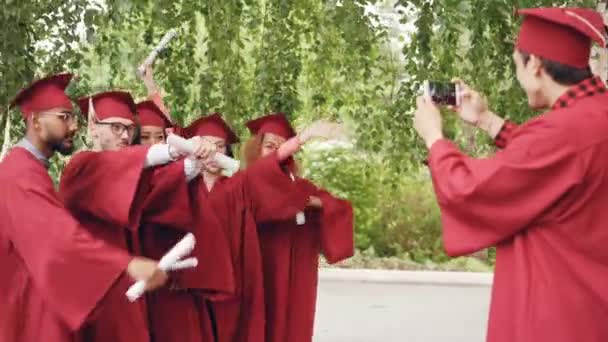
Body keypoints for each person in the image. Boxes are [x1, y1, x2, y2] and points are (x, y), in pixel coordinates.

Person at [413, 7, 608, 342]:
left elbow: (469, 190)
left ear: (535, 65)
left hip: (558, 316)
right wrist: (487, 121)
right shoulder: (594, 117)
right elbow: (550, 163)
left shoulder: (561, 133)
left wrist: (434, 138)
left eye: (517, 65)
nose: (519, 77)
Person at [0, 73, 166, 342]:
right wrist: (127, 265)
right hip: (28, 312)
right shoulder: (19, 173)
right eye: (63, 117)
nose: (73, 126)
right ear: (35, 122)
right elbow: (58, 240)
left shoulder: (30, 168)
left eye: (73, 117)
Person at [58, 90, 224, 342]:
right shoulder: (80, 167)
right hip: (95, 290)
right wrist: (177, 149)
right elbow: (121, 166)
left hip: (127, 288)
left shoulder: (127, 173)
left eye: (128, 129)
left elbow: (155, 190)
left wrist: (194, 164)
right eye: (115, 127)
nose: (125, 136)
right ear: (93, 127)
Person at [243, 113, 354, 342]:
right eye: (269, 146)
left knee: (294, 327)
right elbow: (265, 190)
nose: (276, 152)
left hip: (298, 276)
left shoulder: (303, 186)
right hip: (262, 272)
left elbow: (340, 208)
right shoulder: (246, 181)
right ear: (256, 148)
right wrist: (304, 137)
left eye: (282, 147)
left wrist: (313, 202)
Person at [134, 100, 235, 342]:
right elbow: (152, 196)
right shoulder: (124, 174)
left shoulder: (180, 173)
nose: (151, 144)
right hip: (136, 284)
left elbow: (199, 225)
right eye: (144, 137)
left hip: (172, 285)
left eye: (158, 137)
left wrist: (191, 164)